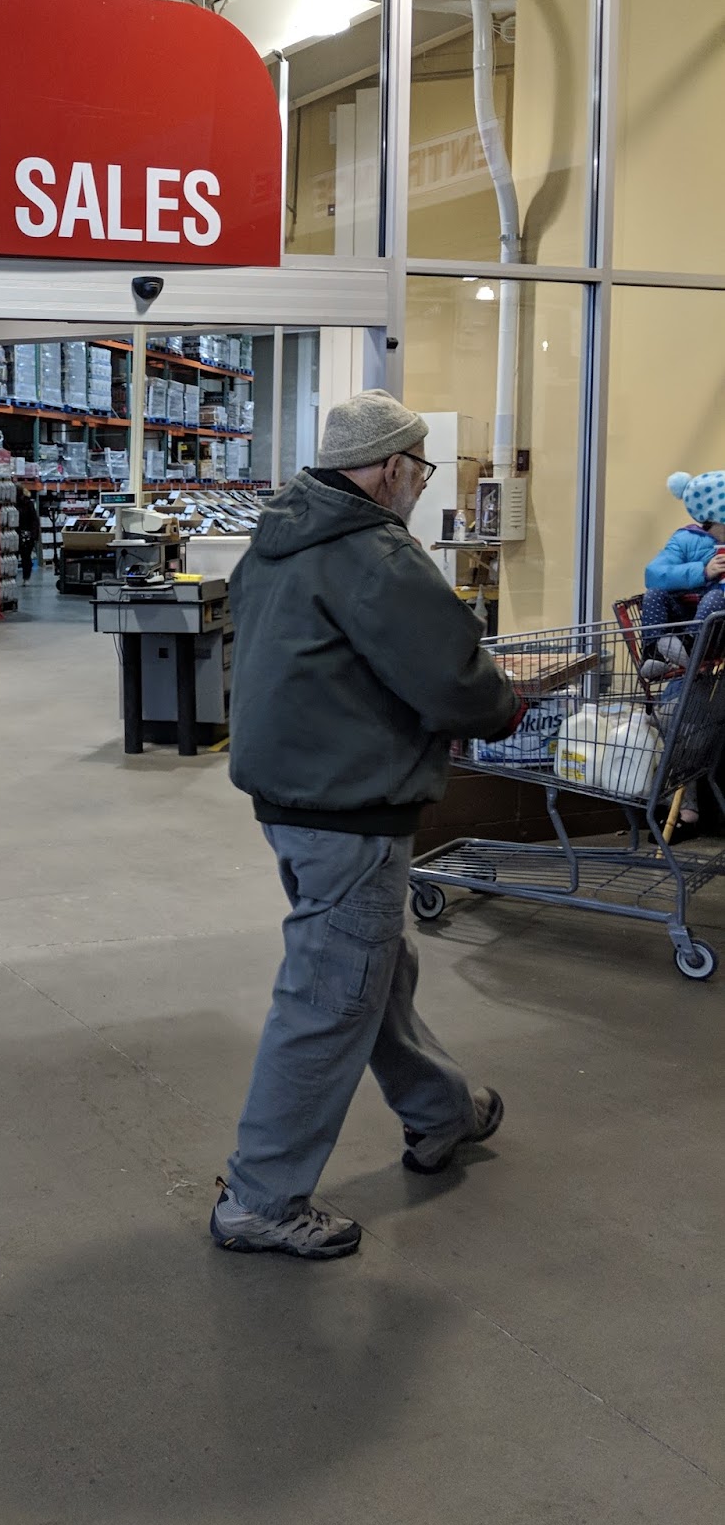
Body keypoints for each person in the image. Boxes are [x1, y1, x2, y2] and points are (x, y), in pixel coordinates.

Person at [210, 389, 522, 1261]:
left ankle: (442, 1111)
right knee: (332, 997)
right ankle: (260, 1198)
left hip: (293, 798)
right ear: (390, 468)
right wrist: (504, 705)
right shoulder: (375, 553)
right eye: (420, 469)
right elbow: (453, 678)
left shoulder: (278, 539)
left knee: (372, 969)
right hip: (351, 805)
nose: (421, 484)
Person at [641, 470, 725, 667]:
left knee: (715, 597)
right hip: (681, 617)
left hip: (716, 630)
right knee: (654, 595)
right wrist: (703, 571)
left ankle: (690, 648)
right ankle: (653, 654)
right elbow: (653, 575)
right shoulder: (686, 539)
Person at [16, 486, 41, 583]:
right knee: (17, 556)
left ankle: (26, 577)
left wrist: (33, 535)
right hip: (17, 533)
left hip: (26, 534)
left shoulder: (28, 504)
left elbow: (34, 520)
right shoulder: (13, 504)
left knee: (26, 556)